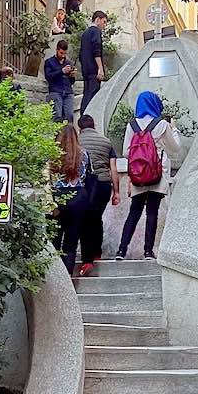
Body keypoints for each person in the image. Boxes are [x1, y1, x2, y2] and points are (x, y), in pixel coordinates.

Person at [116, 90, 181, 260]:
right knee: (152, 211)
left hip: (138, 175)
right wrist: (174, 130)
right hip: (157, 173)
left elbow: (125, 152)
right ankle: (148, 251)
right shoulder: (161, 124)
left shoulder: (132, 125)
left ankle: (121, 251)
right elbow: (175, 148)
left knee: (134, 211)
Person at [76, 114, 120, 275]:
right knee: (96, 219)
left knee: (84, 220)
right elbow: (113, 169)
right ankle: (96, 253)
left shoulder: (77, 142)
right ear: (94, 125)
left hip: (84, 186)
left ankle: (87, 259)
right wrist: (116, 192)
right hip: (103, 185)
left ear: (80, 128)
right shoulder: (106, 142)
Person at [51, 123, 90, 274]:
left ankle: (55, 277)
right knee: (71, 242)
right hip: (78, 197)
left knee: (54, 239)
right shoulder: (83, 154)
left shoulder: (53, 154)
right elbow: (85, 175)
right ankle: (68, 276)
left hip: (57, 197)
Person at [78, 10, 108, 119]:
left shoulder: (85, 33)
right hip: (93, 71)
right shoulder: (96, 32)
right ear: (98, 19)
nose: (104, 26)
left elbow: (81, 54)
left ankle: (82, 119)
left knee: (86, 95)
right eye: (104, 22)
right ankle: (88, 120)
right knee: (92, 97)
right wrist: (100, 68)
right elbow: (97, 51)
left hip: (86, 70)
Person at [43, 39, 77, 123]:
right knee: (57, 116)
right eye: (61, 53)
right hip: (56, 91)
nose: (63, 56)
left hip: (68, 92)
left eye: (65, 53)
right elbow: (48, 76)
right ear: (57, 50)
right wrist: (62, 71)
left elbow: (72, 82)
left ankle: (69, 134)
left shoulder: (68, 62)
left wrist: (72, 75)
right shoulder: (49, 62)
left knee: (70, 116)